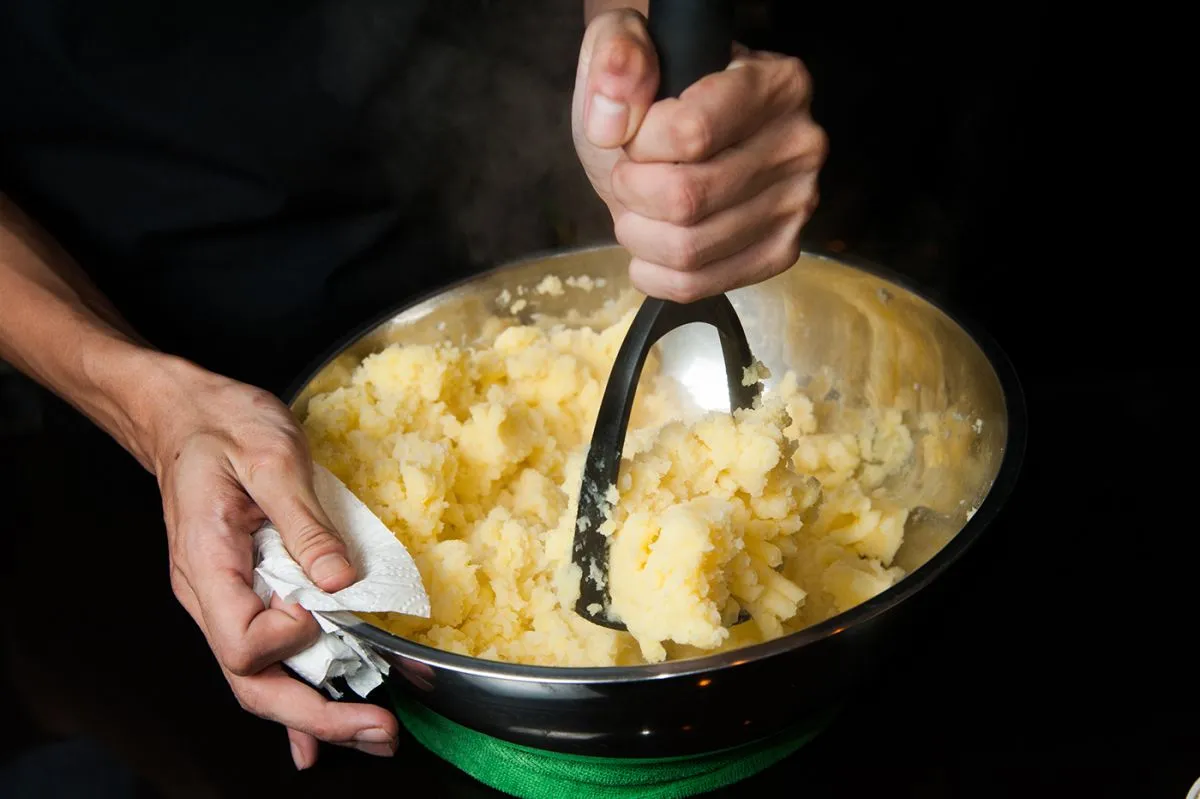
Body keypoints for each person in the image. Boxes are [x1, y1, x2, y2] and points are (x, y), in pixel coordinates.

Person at [0, 0, 827, 773]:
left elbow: (636, 32)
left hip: (509, 200)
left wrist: (632, 44)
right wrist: (151, 408)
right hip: (127, 358)